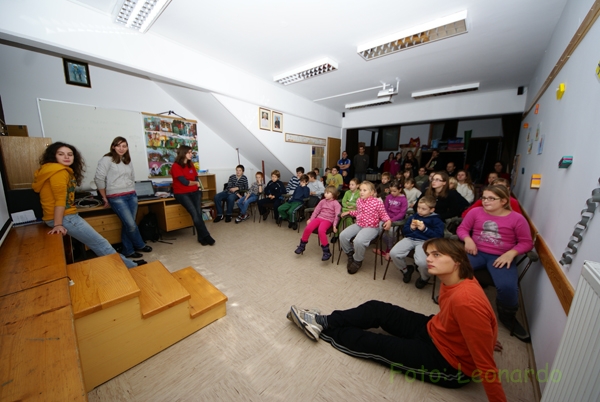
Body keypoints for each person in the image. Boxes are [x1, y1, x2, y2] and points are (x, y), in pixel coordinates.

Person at [288, 238, 507, 402]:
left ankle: (321, 328)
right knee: (378, 308)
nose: (428, 259)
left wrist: (482, 344)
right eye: (428, 254)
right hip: (434, 328)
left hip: (449, 364)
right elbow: (483, 318)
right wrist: (484, 336)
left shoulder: (466, 301)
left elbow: (486, 365)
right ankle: (324, 320)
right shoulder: (457, 279)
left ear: (458, 261)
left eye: (437, 255)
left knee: (377, 344)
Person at [32, 142, 142, 268]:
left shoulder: (50, 170)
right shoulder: (59, 172)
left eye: (70, 154)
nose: (66, 157)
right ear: (53, 156)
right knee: (101, 243)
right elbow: (60, 200)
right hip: (64, 217)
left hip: (61, 216)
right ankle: (130, 267)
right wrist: (58, 224)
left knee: (100, 243)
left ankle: (128, 264)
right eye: (61, 154)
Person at [457, 185, 533, 342]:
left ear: (503, 201)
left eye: (491, 198)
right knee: (455, 269)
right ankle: (454, 299)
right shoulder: (475, 212)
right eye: (484, 198)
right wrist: (468, 239)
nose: (486, 201)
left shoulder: (517, 219)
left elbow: (526, 242)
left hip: (500, 256)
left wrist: (511, 253)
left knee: (507, 287)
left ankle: (507, 316)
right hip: (476, 252)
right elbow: (462, 229)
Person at [94, 136, 152, 259]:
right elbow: (99, 179)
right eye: (118, 146)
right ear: (113, 147)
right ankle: (140, 244)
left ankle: (128, 250)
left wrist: (133, 190)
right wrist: (104, 197)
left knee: (128, 224)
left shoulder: (127, 160)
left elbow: (132, 177)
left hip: (131, 195)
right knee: (131, 225)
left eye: (124, 146)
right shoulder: (106, 159)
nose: (121, 148)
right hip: (116, 197)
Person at [389, 196, 445, 286]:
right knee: (394, 253)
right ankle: (406, 270)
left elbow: (439, 236)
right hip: (410, 238)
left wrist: (425, 229)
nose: (420, 211)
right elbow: (405, 232)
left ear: (431, 210)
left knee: (422, 262)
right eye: (418, 208)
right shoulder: (414, 216)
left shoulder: (436, 220)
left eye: (423, 209)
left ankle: (424, 278)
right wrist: (411, 228)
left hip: (425, 241)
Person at [340, 181, 391, 274]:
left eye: (364, 190)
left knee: (358, 241)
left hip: (371, 227)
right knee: (343, 235)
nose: (361, 192)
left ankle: (357, 260)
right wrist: (349, 212)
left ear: (371, 192)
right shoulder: (359, 200)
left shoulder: (377, 202)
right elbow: (359, 212)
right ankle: (350, 254)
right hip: (359, 224)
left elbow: (383, 214)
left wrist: (388, 221)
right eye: (360, 190)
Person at [170, 146, 215, 245]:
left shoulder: (191, 164)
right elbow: (185, 182)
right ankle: (206, 235)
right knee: (195, 214)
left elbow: (196, 178)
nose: (191, 154)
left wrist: (197, 185)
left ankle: (201, 238)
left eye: (191, 152)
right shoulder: (175, 166)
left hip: (195, 192)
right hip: (182, 194)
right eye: (189, 152)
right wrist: (195, 183)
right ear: (183, 153)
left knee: (198, 214)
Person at [294, 186, 341, 261]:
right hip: (319, 218)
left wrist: (335, 225)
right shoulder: (322, 201)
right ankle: (302, 246)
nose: (325, 194)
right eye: (325, 192)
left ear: (333, 194)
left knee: (321, 230)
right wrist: (311, 219)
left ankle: (326, 252)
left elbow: (337, 216)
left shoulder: (336, 204)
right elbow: (316, 211)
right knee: (308, 228)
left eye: (328, 193)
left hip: (328, 220)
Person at [378, 180, 407, 259]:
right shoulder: (388, 197)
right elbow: (385, 209)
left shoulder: (403, 199)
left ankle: (389, 248)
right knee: (379, 228)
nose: (392, 193)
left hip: (397, 220)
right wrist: (386, 218)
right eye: (391, 191)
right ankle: (390, 244)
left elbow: (402, 213)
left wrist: (391, 220)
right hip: (387, 217)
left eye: (394, 191)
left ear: (400, 190)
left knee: (391, 231)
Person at [332, 177, 360, 242]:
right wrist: (347, 205)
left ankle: (349, 235)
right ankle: (336, 234)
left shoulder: (359, 193)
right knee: (338, 219)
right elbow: (343, 201)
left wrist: (350, 204)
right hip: (345, 209)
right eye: (350, 184)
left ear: (357, 186)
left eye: (352, 185)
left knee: (348, 219)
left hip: (353, 210)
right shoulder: (347, 192)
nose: (350, 186)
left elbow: (359, 203)